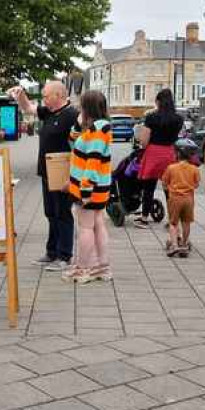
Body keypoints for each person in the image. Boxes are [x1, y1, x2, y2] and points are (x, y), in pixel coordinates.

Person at [10, 81, 80, 270]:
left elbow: (80, 145)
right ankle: (52, 252)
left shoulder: (72, 115)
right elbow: (28, 108)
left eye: (46, 96)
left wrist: (73, 175)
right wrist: (21, 94)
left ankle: (65, 255)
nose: (43, 99)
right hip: (46, 170)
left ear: (58, 95)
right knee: (50, 212)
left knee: (62, 212)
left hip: (63, 172)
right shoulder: (49, 111)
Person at [65, 90, 113, 284]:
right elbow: (73, 138)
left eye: (82, 106)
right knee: (98, 224)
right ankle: (102, 267)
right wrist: (78, 122)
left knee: (85, 228)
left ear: (88, 108)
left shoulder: (98, 131)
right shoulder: (96, 128)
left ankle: (84, 269)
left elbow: (93, 162)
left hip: (89, 189)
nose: (79, 109)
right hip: (98, 188)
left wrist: (85, 189)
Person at [135, 88, 183, 227]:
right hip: (169, 153)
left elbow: (144, 140)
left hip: (153, 153)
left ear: (158, 102)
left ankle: (144, 219)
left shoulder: (151, 117)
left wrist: (142, 146)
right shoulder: (178, 119)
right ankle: (172, 220)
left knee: (149, 187)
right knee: (169, 188)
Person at [161, 139, 201, 257]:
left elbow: (164, 182)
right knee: (186, 222)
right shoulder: (194, 169)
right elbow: (197, 184)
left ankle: (174, 245)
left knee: (173, 223)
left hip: (175, 198)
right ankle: (184, 244)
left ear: (177, 154)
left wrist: (170, 189)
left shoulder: (171, 168)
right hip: (188, 199)